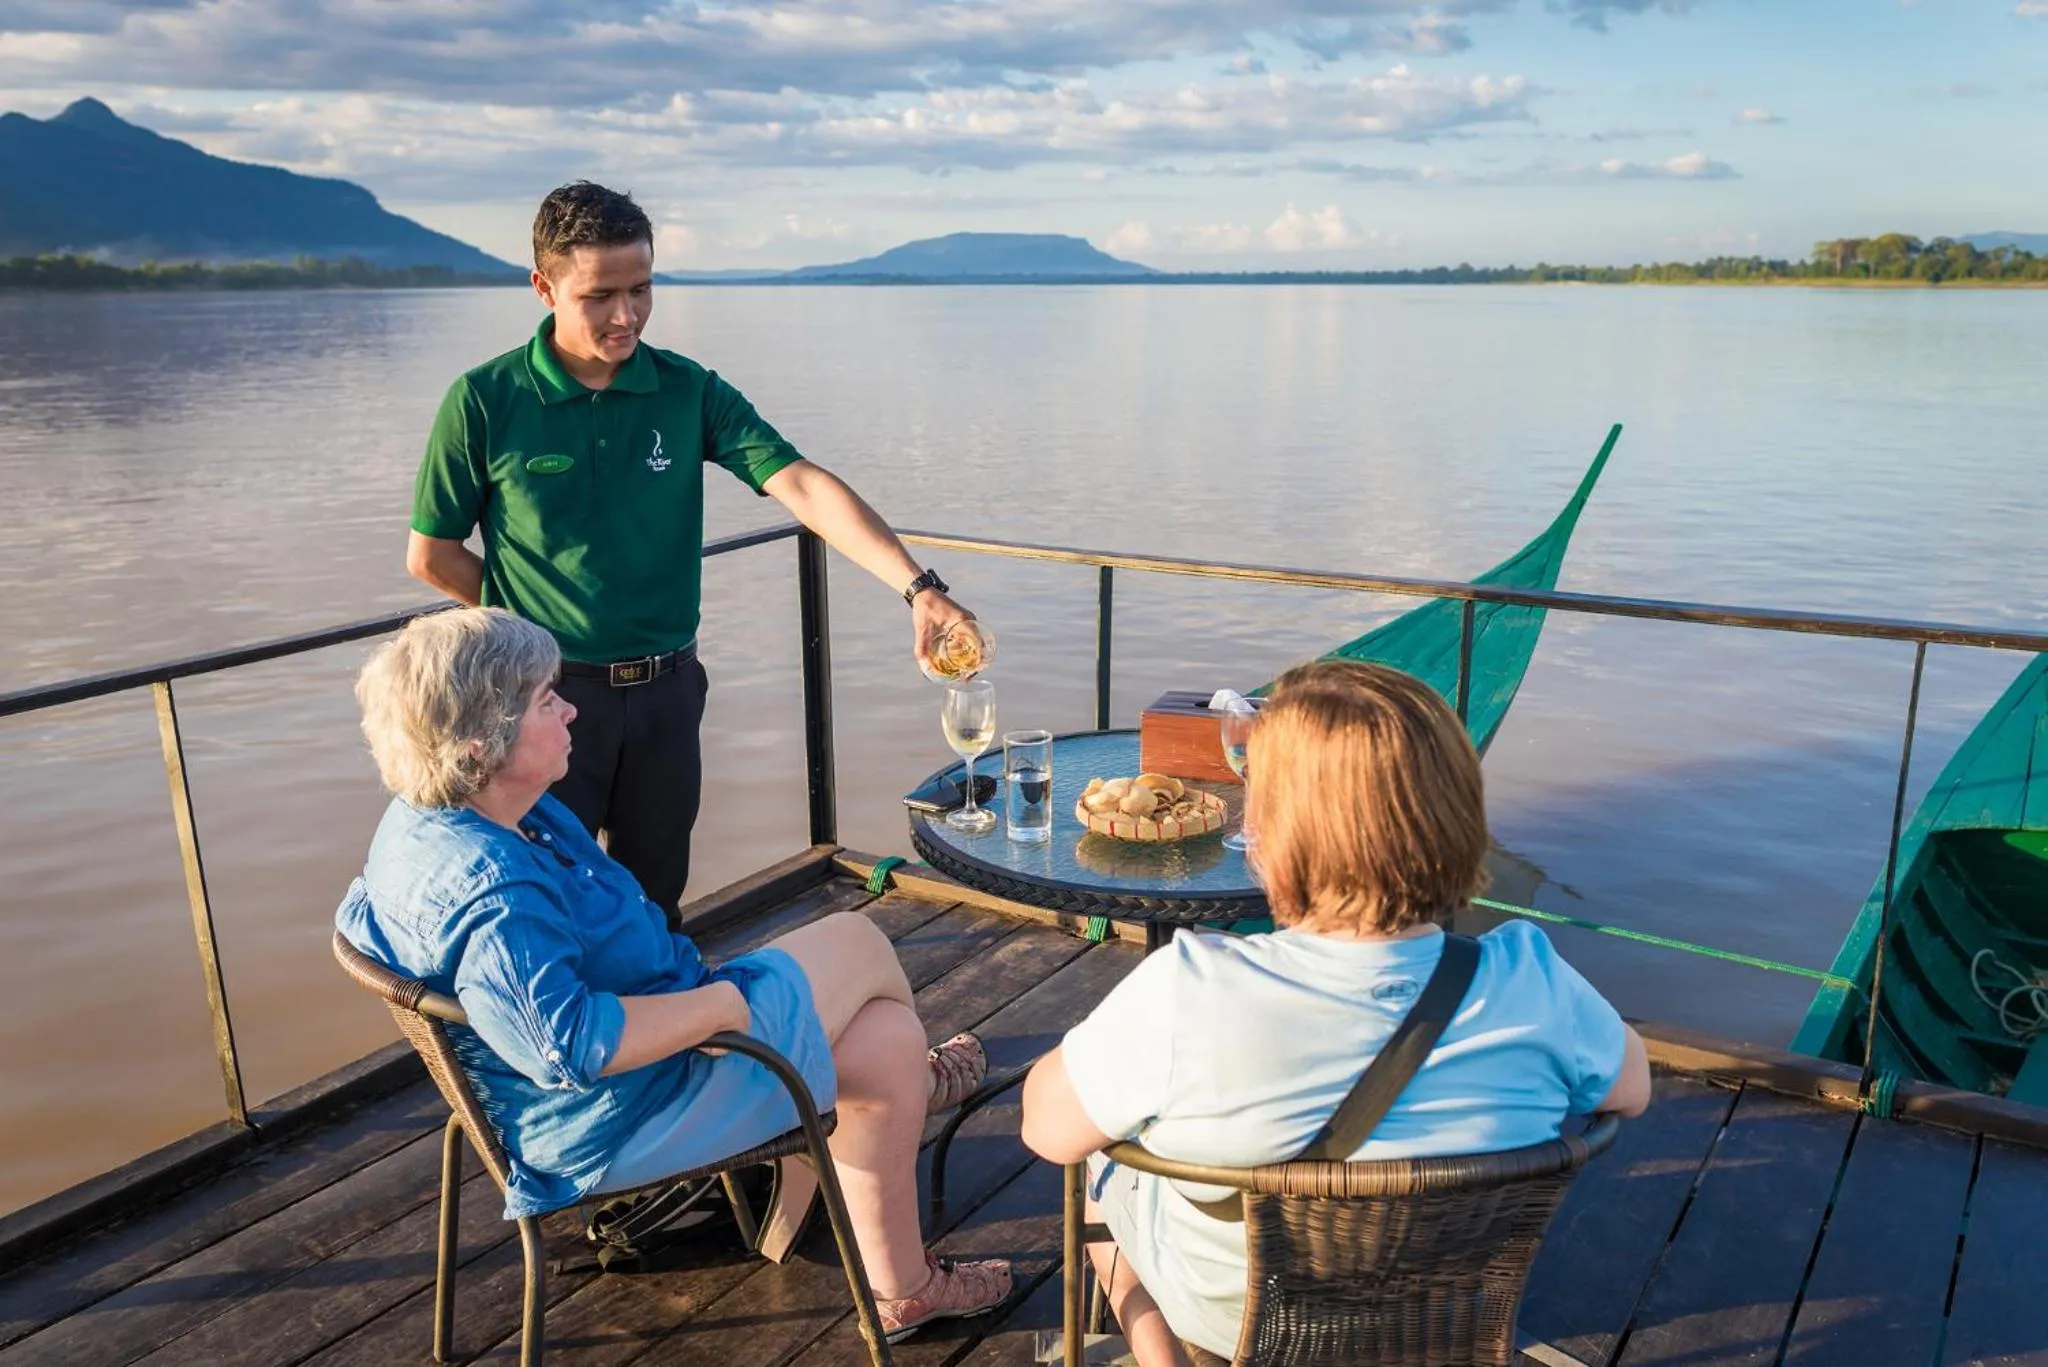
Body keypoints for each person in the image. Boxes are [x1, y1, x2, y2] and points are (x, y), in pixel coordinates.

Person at [337, 607, 1010, 1341]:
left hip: (651, 1049)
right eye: (544, 701)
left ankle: (901, 1281)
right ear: (480, 745)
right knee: (859, 942)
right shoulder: (494, 890)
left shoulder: (454, 816)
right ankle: (901, 1097)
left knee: (883, 1042)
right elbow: (569, 1046)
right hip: (623, 1114)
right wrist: (717, 1009)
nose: (570, 708)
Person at [1019, 659, 1651, 1366]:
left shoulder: (1190, 990)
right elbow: (1632, 1087)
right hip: (1443, 1314)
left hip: (1235, 1320)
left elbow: (1047, 1130)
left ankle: (1158, 1354)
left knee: (1106, 1174)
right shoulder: (1533, 981)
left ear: (1276, 829)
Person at [405, 180, 973, 916]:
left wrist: (917, 587)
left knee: (654, 905)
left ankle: (667, 1027)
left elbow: (798, 483)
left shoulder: (687, 389)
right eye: (599, 295)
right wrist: (525, 640)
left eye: (641, 288)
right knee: (547, 906)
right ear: (544, 287)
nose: (625, 314)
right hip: (542, 699)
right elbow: (432, 554)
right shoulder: (483, 399)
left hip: (669, 694)